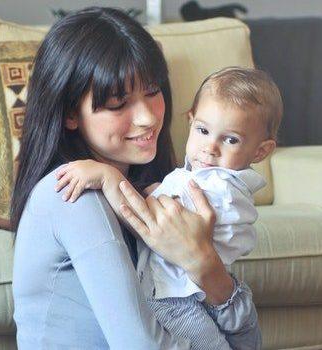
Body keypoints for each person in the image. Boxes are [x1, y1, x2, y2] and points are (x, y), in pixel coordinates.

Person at [10, 7, 260, 349]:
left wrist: (204, 264)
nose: (146, 118)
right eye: (118, 104)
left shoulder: (164, 194)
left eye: (153, 91)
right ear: (70, 113)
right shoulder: (72, 195)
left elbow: (250, 342)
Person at [54, 67, 282, 349]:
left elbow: (148, 222)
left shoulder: (218, 186)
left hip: (176, 299)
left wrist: (107, 176)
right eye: (203, 130)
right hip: (188, 293)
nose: (210, 147)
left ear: (261, 151)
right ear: (191, 121)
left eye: (231, 139)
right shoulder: (203, 177)